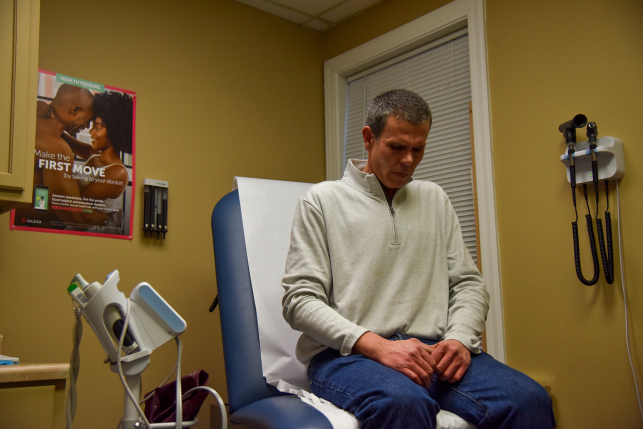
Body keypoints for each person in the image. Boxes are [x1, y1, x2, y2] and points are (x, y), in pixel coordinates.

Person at [282, 89, 555, 429]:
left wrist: (459, 338)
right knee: (403, 403)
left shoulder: (435, 199)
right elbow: (299, 300)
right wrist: (377, 345)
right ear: (369, 138)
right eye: (397, 147)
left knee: (529, 400)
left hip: (433, 351)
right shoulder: (322, 201)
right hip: (348, 357)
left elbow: (468, 285)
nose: (409, 160)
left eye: (418, 148)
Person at [15, 84, 107, 227]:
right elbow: (73, 214)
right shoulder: (55, 147)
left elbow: (86, 150)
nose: (87, 126)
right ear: (75, 110)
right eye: (88, 120)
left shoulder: (35, 117)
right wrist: (107, 218)